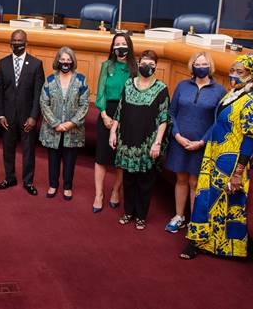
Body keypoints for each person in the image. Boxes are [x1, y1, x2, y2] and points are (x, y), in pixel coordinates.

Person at [182, 54, 253, 259]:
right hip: (213, 154)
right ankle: (200, 241)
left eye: (239, 72)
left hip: (231, 161)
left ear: (251, 75)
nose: (233, 75)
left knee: (226, 204)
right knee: (206, 199)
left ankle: (226, 248)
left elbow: (250, 139)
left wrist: (239, 172)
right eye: (232, 70)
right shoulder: (232, 94)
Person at [164, 52, 225, 232]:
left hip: (201, 145)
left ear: (210, 66)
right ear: (192, 66)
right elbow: (171, 113)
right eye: (197, 64)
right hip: (179, 142)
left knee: (195, 182)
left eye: (204, 64)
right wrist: (177, 135)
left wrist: (202, 141)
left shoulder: (219, 91)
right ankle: (179, 216)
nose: (201, 67)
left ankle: (194, 221)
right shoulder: (183, 86)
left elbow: (218, 121)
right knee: (181, 179)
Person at [109, 50, 169, 230]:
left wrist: (157, 142)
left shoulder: (161, 88)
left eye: (151, 64)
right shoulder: (128, 84)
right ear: (138, 63)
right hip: (127, 141)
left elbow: (164, 118)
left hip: (147, 144)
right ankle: (128, 212)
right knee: (128, 180)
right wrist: (113, 132)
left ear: (156, 67)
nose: (147, 67)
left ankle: (141, 215)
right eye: (144, 63)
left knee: (145, 182)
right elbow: (119, 111)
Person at [0, 30, 45, 195]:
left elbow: (39, 93)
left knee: (28, 151)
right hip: (7, 117)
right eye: (14, 40)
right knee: (7, 149)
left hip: (27, 117)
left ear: (26, 42)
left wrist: (33, 117)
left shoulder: (36, 64)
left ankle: (28, 181)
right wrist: (0, 114)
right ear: (10, 43)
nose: (17, 43)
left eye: (20, 40)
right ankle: (9, 178)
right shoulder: (2, 64)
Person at [93, 33, 137, 213]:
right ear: (112, 48)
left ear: (129, 47)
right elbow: (100, 93)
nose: (120, 47)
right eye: (117, 44)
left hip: (127, 115)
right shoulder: (106, 66)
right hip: (107, 113)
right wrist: (103, 115)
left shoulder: (134, 68)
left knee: (120, 159)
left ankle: (116, 191)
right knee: (102, 157)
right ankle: (98, 194)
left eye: (123, 44)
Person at [39, 47, 89, 200]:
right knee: (53, 159)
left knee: (70, 160)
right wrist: (55, 123)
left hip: (73, 130)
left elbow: (84, 104)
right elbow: (43, 102)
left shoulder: (81, 80)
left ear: (72, 62)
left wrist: (71, 123)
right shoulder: (50, 80)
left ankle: (67, 187)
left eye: (68, 60)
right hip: (52, 129)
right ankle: (53, 185)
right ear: (58, 61)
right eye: (63, 60)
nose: (65, 63)